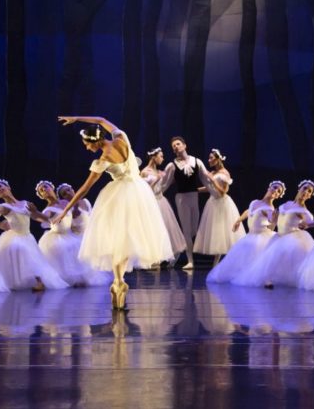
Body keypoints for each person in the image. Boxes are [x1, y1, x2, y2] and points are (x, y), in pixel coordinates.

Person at [54, 116, 173, 310]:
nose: (86, 148)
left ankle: (118, 282)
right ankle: (119, 281)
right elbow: (101, 120)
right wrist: (77, 119)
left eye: (87, 144)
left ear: (96, 141)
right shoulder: (121, 137)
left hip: (120, 196)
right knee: (125, 240)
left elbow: (84, 189)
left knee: (118, 239)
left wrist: (66, 209)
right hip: (139, 193)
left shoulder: (104, 158)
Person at [0, 180, 68, 291]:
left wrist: (37, 213)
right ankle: (37, 281)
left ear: (8, 187)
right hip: (14, 237)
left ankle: (39, 281)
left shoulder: (25, 203)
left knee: (34, 259)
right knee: (22, 250)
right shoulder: (5, 207)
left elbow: (39, 218)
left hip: (27, 236)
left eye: (0, 186)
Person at [234, 180, 314, 288]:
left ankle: (311, 281)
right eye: (305, 188)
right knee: (271, 258)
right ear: (299, 189)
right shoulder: (287, 204)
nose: (306, 192)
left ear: (310, 196)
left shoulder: (304, 211)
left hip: (292, 237)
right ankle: (268, 279)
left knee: (291, 259)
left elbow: (309, 223)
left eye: (309, 191)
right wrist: (274, 220)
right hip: (279, 236)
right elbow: (274, 219)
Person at [207, 180, 284, 284]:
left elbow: (271, 223)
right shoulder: (255, 202)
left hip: (260, 237)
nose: (275, 191)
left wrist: (274, 220)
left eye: (278, 191)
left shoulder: (269, 208)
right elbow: (248, 211)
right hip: (250, 236)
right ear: (269, 188)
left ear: (278, 196)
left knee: (255, 261)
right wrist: (238, 221)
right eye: (275, 187)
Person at [193, 149, 246, 264]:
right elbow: (209, 188)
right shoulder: (213, 173)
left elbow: (223, 192)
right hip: (213, 202)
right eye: (209, 158)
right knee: (216, 232)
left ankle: (228, 262)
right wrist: (194, 190)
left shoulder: (224, 173)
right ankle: (216, 263)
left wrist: (213, 181)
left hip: (223, 203)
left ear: (218, 160)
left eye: (211, 158)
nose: (209, 160)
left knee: (224, 231)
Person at [161, 136, 206, 270]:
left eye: (178, 144)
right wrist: (155, 195)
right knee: (187, 230)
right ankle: (190, 260)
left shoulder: (196, 161)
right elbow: (165, 184)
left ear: (184, 145)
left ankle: (179, 248)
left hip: (194, 196)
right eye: (173, 146)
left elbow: (206, 178)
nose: (176, 147)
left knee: (194, 229)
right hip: (181, 198)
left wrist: (216, 189)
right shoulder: (172, 165)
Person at [140, 147, 186, 266]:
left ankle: (162, 257)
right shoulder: (145, 172)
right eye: (160, 156)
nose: (162, 158)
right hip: (151, 203)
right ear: (153, 157)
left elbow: (168, 182)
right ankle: (153, 259)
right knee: (152, 231)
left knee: (164, 230)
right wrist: (156, 181)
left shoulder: (159, 172)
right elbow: (143, 191)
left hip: (161, 202)